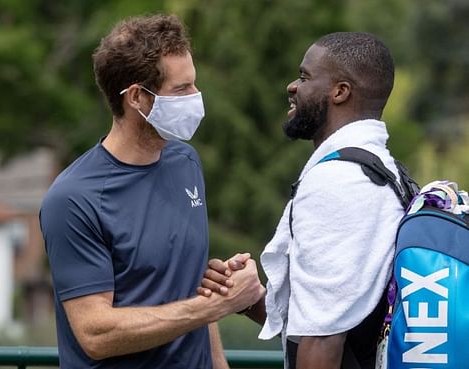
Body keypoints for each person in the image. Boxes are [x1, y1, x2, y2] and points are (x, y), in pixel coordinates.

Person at [39, 15, 264, 369]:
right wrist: (217, 305)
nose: (196, 98)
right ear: (136, 98)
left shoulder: (185, 161)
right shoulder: (72, 198)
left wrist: (216, 296)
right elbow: (95, 335)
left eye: (195, 84)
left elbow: (192, 293)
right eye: (181, 89)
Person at [199, 32, 405, 369]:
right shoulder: (382, 170)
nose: (292, 86)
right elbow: (339, 322)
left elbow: (323, 339)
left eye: (305, 77)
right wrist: (251, 299)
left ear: (340, 92)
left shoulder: (339, 182)